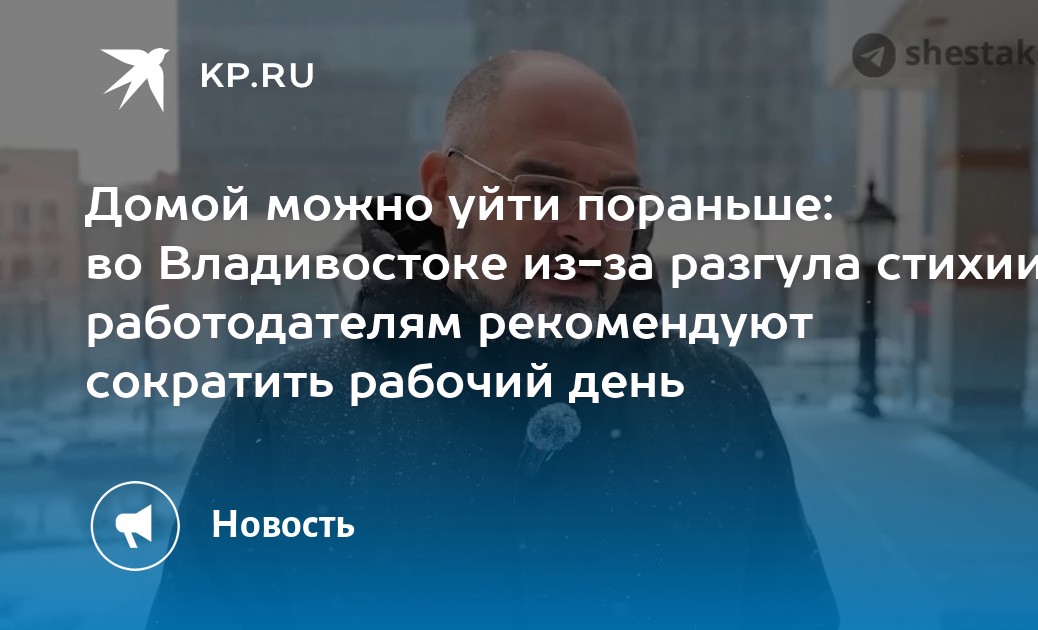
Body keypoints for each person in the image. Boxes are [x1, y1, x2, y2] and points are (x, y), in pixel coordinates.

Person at [148, 50, 838, 629]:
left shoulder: (718, 404)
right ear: (444, 192)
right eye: (543, 190)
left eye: (617, 200)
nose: (586, 231)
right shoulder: (288, 416)